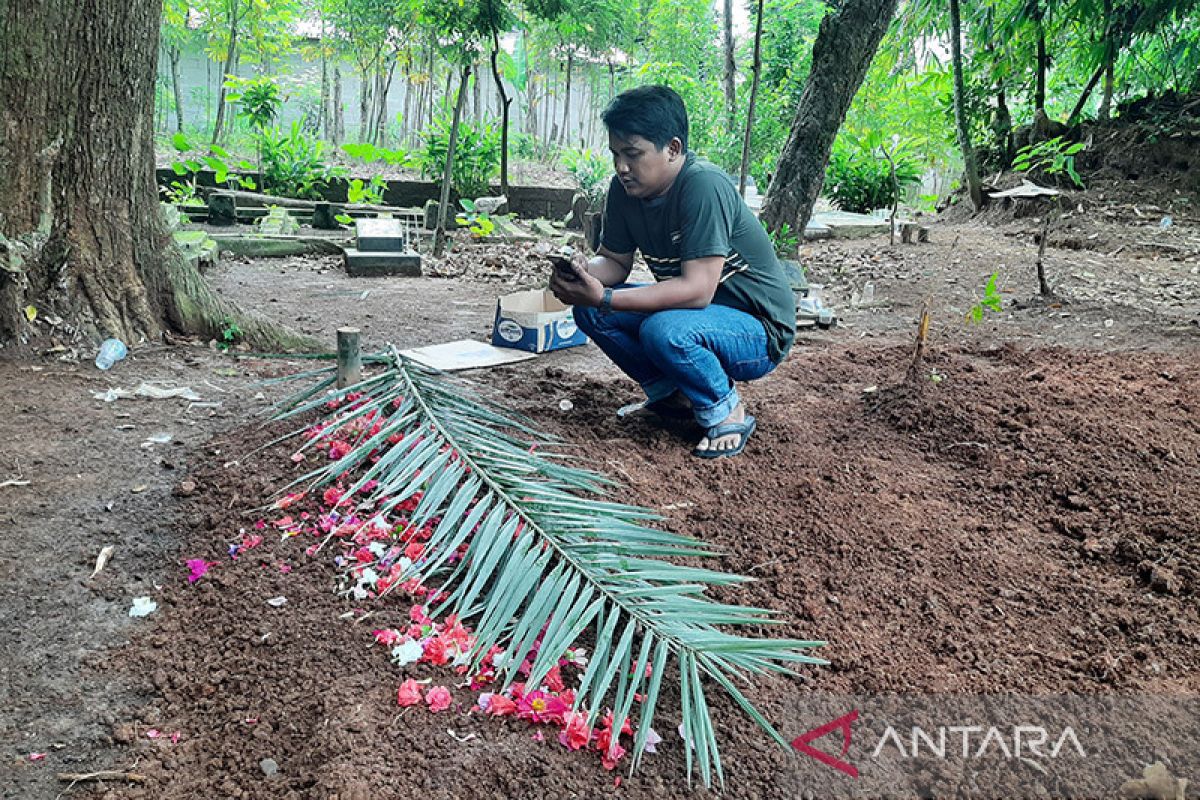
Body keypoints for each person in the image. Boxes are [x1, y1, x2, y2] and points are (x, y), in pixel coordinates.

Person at [549, 85, 796, 459]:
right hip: (698, 319)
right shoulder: (623, 190)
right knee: (589, 310)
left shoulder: (704, 186)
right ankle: (673, 395)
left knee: (663, 329)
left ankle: (725, 409)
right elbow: (614, 263)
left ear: (673, 149)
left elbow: (698, 291)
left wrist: (607, 296)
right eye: (616, 154)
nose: (621, 167)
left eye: (633, 154)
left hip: (758, 331)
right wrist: (585, 272)